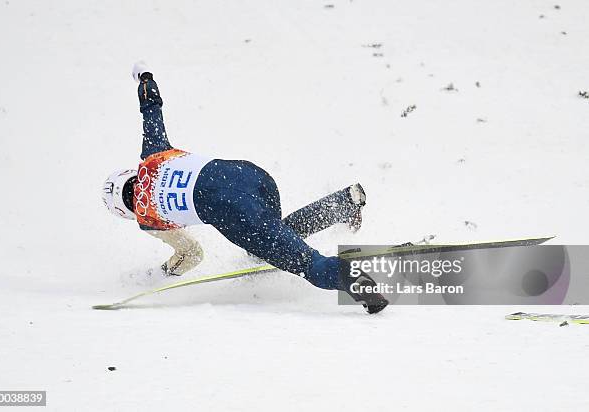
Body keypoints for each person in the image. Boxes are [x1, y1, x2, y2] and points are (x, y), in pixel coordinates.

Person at [101, 62, 388, 314]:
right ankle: (341, 205)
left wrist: (161, 275)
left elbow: (192, 255)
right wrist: (145, 78)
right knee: (274, 229)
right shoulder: (153, 154)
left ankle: (355, 280)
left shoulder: (147, 220)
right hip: (252, 176)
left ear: (123, 212)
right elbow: (151, 109)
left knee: (305, 263)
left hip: (239, 214)